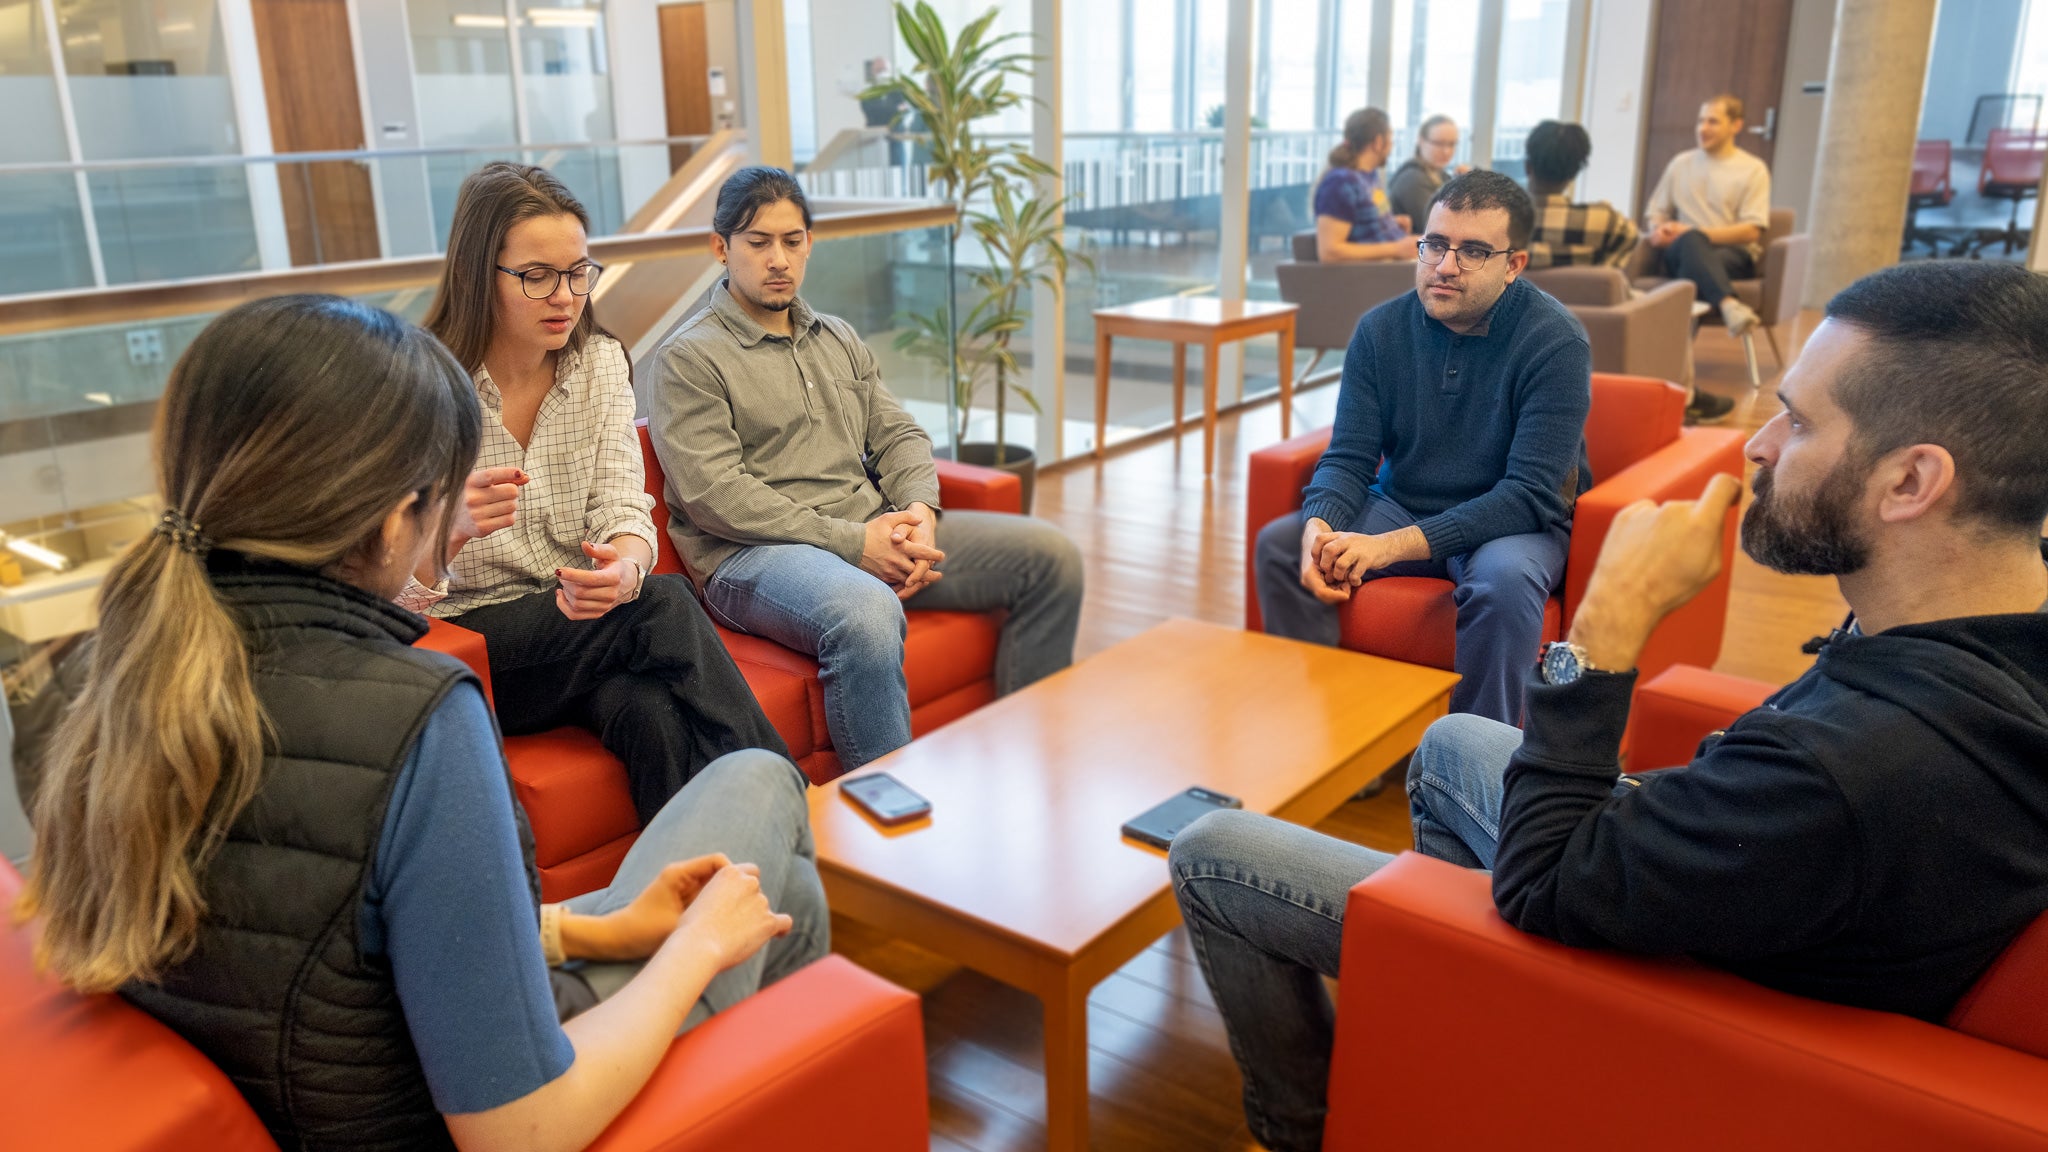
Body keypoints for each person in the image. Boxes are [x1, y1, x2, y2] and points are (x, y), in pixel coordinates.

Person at [1173, 259, 2048, 1152]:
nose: (1758, 444)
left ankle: (1312, 1128)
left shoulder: (1849, 773)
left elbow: (1546, 879)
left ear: (1911, 483)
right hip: (1731, 893)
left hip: (1656, 996)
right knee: (1455, 742)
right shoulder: (1989, 638)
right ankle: (1456, 1043)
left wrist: (1604, 635)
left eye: (1799, 419)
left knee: (1210, 854)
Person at [15, 295, 829, 1151]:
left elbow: (301, 928)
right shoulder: (415, 720)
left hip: (336, 1075)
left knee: (777, 896)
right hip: (487, 1104)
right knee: (761, 788)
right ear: (398, 516)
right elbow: (522, 1130)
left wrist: (589, 929)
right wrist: (694, 950)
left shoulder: (77, 686)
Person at [649, 167, 1085, 770]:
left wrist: (918, 514)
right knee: (866, 609)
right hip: (748, 558)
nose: (779, 259)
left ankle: (1028, 755)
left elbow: (898, 433)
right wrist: (856, 544)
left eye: (793, 240)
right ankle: (885, 838)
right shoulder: (689, 357)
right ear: (721, 248)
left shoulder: (837, 337)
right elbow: (715, 495)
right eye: (758, 242)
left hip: (868, 529)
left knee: (1049, 558)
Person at [411, 162, 788, 824]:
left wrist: (624, 565)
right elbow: (382, 593)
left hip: (580, 632)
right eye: (536, 276)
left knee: (653, 716)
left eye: (579, 272)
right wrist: (448, 530)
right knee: (662, 603)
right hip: (470, 646)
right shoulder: (420, 388)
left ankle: (690, 906)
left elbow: (623, 504)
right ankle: (794, 813)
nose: (565, 296)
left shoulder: (598, 364)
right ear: (476, 273)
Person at [1255, 169, 1592, 727]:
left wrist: (1389, 547)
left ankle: (1476, 772)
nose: (1445, 265)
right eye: (1436, 244)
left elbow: (1531, 495)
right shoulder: (1380, 331)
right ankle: (1326, 733)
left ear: (1514, 265)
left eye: (1473, 251)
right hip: (1405, 501)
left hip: (1513, 523)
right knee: (1281, 544)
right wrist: (1319, 524)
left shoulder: (1555, 342)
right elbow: (1349, 458)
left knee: (1503, 586)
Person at [1525, 120, 1734, 427]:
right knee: (1675, 303)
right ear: (1575, 172)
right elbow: (1623, 254)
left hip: (1523, 321)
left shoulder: (1502, 217)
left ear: (1528, 166)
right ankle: (1685, 399)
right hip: (1594, 329)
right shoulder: (1603, 219)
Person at [1643, 94, 1772, 337]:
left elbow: (1752, 231)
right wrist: (1657, 230)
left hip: (1731, 254)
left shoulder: (1753, 169)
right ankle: (1729, 305)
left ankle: (1673, 348)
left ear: (1736, 125)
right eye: (1700, 121)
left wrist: (1694, 232)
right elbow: (1657, 212)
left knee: (1693, 244)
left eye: (1713, 122)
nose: (1703, 128)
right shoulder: (1680, 163)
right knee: (1691, 242)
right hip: (1680, 250)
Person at [1522, 119, 1639, 271]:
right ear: (1575, 173)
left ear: (1527, 167)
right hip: (1584, 295)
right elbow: (1630, 240)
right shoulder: (1607, 220)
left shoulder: (1500, 220)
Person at [1312, 107, 1420, 262]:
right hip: (1382, 273)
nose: (1391, 146)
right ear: (1378, 142)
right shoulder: (1340, 183)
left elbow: (1359, 222)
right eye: (1390, 140)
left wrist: (1390, 222)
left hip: (1397, 264)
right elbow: (1330, 252)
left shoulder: (1368, 176)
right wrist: (1397, 248)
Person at [1387, 113, 1466, 230]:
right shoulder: (1413, 179)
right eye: (1439, 143)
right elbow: (1440, 227)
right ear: (1421, 140)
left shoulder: (1441, 175)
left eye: (1452, 144)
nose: (1446, 151)